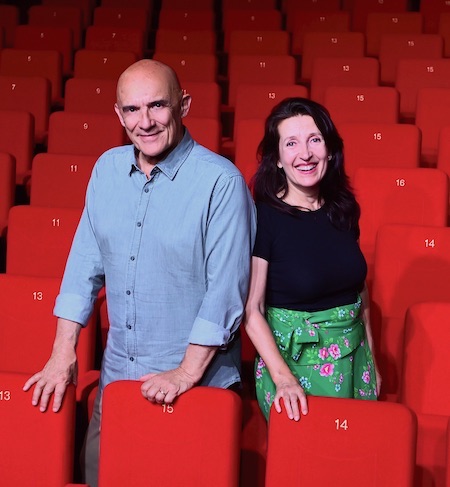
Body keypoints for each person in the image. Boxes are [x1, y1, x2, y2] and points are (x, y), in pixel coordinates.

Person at [23, 59, 256, 486]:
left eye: (157, 106)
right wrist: (62, 352)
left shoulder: (221, 182)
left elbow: (226, 292)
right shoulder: (107, 170)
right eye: (132, 109)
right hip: (119, 381)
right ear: (118, 114)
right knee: (98, 475)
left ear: (183, 105)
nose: (144, 122)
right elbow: (82, 267)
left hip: (194, 385)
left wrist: (185, 373)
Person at [244, 97, 381, 423]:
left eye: (314, 140)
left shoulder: (343, 208)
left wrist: (373, 361)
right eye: (291, 143)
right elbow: (252, 310)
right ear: (278, 159)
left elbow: (359, 294)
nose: (305, 154)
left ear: (330, 150)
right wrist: (284, 379)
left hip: (355, 360)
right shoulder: (264, 218)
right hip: (293, 372)